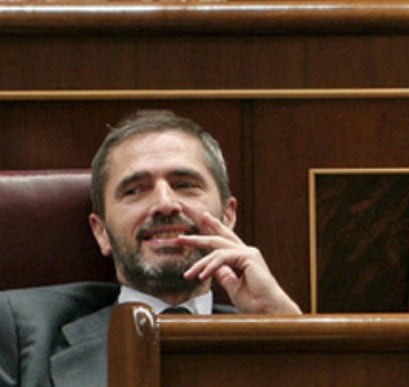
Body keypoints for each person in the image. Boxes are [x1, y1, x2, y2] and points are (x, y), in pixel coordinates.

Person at [0, 110, 301, 386]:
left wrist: (286, 332)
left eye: (185, 184)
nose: (164, 204)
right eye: (135, 190)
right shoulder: (22, 329)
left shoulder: (270, 339)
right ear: (101, 232)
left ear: (228, 216)